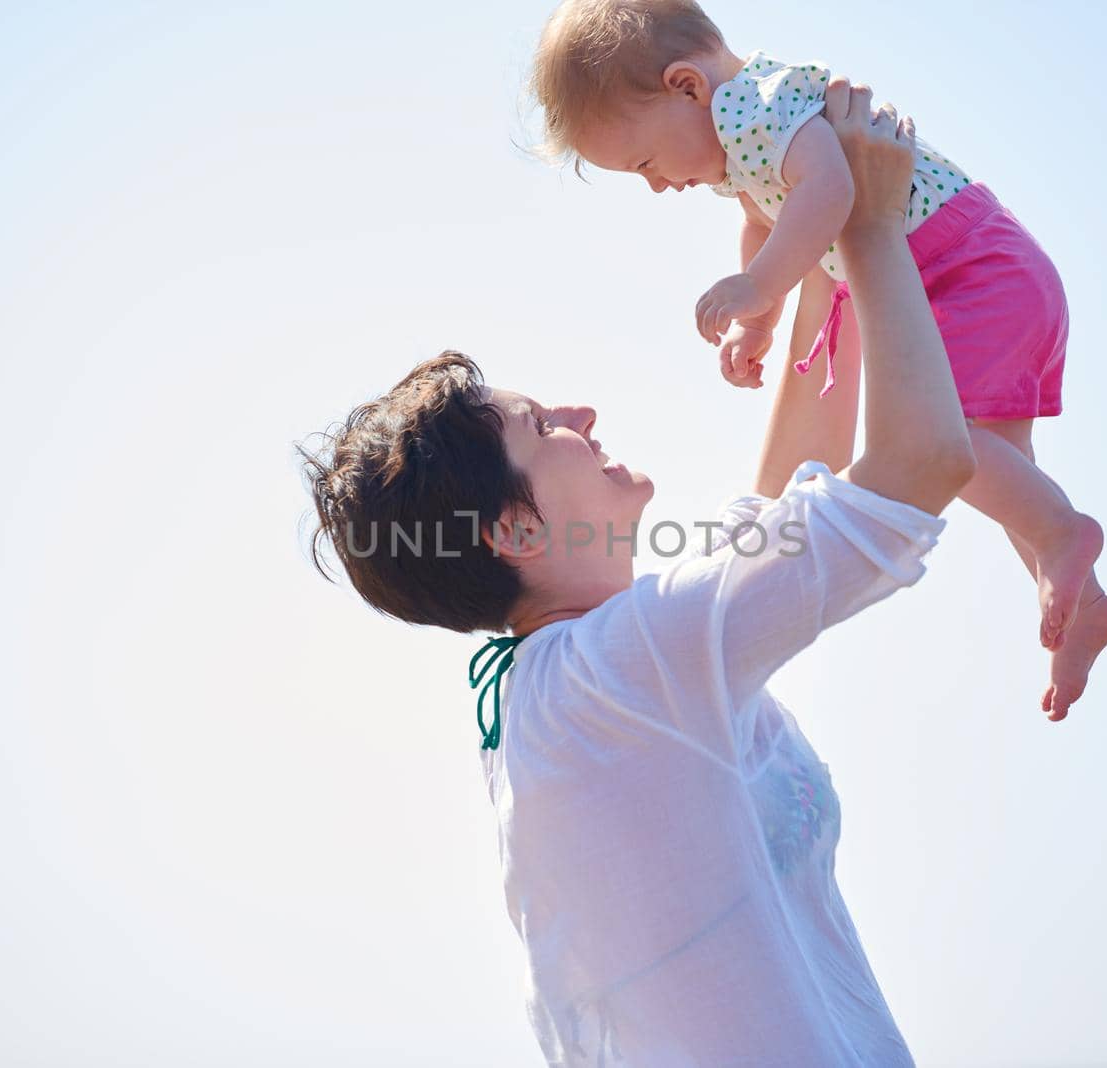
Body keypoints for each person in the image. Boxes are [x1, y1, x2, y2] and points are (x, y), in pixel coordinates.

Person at [304, 84, 969, 1066]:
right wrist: (871, 228)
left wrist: (818, 263)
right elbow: (919, 467)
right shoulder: (612, 674)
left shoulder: (580, 681)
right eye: (542, 429)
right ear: (513, 531)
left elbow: (788, 505)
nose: (579, 414)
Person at [528, 0, 1107, 719]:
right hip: (976, 270)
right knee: (1003, 467)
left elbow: (832, 191)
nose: (656, 185)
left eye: (645, 162)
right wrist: (760, 319)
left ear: (685, 85)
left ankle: (1064, 533)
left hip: (966, 269)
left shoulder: (757, 106)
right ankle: (1077, 601)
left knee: (956, 442)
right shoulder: (738, 145)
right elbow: (766, 220)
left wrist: (758, 284)